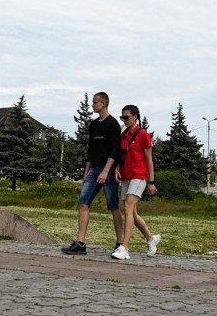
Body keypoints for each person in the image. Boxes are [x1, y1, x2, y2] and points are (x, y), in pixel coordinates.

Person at [60, 92, 123, 255]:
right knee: (83, 203)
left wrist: (106, 171)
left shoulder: (113, 124)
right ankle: (80, 243)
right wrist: (86, 172)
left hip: (107, 169)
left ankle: (120, 243)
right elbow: (90, 150)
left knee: (113, 206)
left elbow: (115, 150)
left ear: (103, 104)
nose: (92, 105)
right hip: (93, 169)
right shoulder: (93, 125)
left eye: (95, 103)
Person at [111, 105, 160, 260]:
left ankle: (124, 247)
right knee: (132, 212)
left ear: (135, 117)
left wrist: (151, 182)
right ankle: (151, 238)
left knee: (128, 206)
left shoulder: (143, 135)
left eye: (126, 117)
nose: (124, 120)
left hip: (139, 176)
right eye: (122, 118)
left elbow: (149, 159)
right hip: (126, 175)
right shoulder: (123, 135)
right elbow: (122, 156)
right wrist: (117, 168)